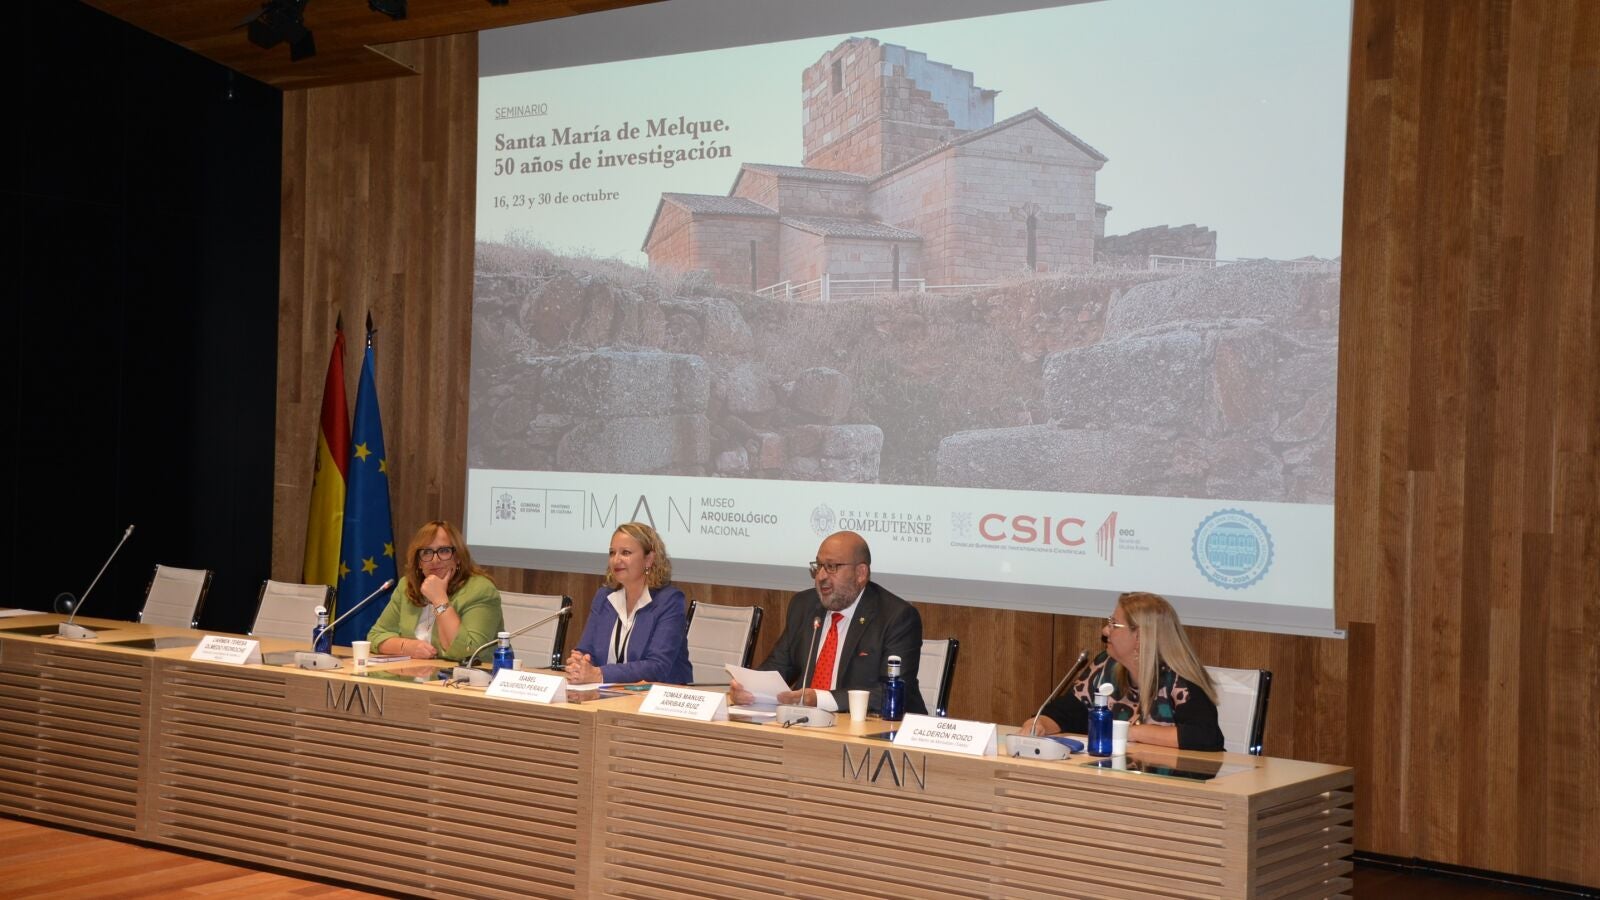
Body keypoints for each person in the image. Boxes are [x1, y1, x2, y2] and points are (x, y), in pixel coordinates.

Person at [729, 530, 925, 716]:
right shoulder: (804, 606)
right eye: (819, 566)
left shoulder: (896, 617)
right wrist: (749, 689)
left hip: (868, 728)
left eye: (831, 567)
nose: (821, 576)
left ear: (860, 573)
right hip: (804, 724)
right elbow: (778, 666)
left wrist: (820, 699)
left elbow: (890, 693)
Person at [1022, 591, 1224, 751]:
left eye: (1114, 625)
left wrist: (1129, 732)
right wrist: (1039, 724)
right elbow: (1064, 713)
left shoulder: (1180, 678)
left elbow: (1205, 736)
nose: (1105, 630)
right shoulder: (1105, 666)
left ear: (1140, 636)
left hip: (1175, 780)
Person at [565, 522, 693, 684]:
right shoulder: (604, 597)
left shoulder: (669, 601)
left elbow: (657, 667)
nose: (616, 560)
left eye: (625, 552)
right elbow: (586, 650)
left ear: (649, 559)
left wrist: (599, 674)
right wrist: (579, 662)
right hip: (610, 692)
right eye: (612, 553)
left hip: (657, 694)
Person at [367, 520, 504, 662]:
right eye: (426, 552)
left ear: (458, 557)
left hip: (467, 675)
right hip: (414, 673)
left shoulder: (480, 590)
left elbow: (468, 652)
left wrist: (439, 599)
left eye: (444, 551)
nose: (435, 560)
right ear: (419, 562)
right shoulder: (407, 586)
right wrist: (407, 647)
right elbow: (376, 636)